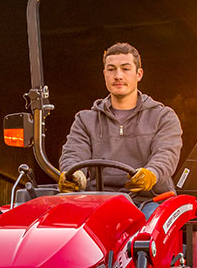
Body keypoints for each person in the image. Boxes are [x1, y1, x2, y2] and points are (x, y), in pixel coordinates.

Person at [58, 43, 182, 202]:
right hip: (99, 201)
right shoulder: (84, 120)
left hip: (150, 200)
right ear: (104, 74)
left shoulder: (163, 117)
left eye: (125, 69)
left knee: (150, 226)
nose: (118, 76)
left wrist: (151, 173)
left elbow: (166, 155)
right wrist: (73, 174)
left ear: (139, 74)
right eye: (111, 69)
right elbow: (73, 154)